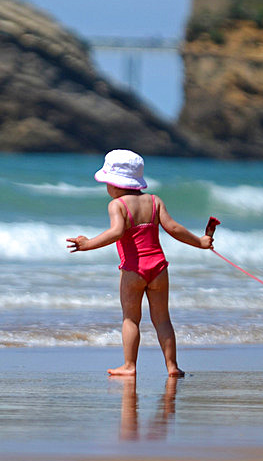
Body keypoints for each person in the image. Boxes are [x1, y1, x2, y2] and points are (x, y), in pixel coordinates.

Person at [66, 149, 213, 377]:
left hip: (134, 270)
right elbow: (174, 228)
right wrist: (201, 242)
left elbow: (116, 232)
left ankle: (129, 365)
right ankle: (172, 366)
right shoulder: (155, 201)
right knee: (162, 319)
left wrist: (88, 244)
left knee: (131, 318)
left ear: (114, 183)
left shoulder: (117, 205)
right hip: (159, 269)